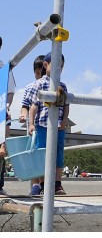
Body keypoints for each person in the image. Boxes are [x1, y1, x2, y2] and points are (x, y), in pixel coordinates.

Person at [27, 52, 69, 195]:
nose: (59, 69)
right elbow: (33, 106)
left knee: (58, 154)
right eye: (56, 65)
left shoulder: (62, 85)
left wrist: (64, 122)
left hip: (58, 126)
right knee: (42, 154)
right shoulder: (39, 84)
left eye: (61, 67)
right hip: (42, 125)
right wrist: (31, 124)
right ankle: (44, 183)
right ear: (46, 65)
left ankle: (57, 183)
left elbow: (66, 106)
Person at [18, 55, 45, 195]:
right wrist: (23, 114)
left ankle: (44, 185)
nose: (39, 76)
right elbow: (25, 106)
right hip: (32, 128)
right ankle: (35, 185)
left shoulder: (49, 86)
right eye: (37, 73)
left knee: (44, 156)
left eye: (42, 73)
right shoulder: (29, 87)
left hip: (46, 126)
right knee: (33, 155)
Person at [0, 37, 16, 195]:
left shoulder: (4, 68)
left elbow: (10, 91)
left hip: (0, 111)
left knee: (1, 148)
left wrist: (6, 106)